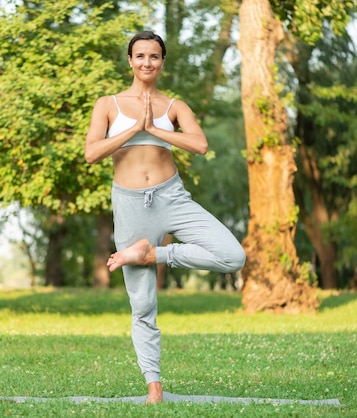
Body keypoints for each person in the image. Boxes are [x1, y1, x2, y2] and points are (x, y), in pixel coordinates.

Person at [85, 30, 246, 404]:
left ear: (162, 62)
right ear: (130, 61)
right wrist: (135, 130)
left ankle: (153, 254)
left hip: (172, 197)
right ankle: (153, 386)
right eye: (140, 56)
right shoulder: (108, 104)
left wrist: (155, 128)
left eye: (154, 56)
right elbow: (92, 153)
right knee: (142, 303)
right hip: (129, 203)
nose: (147, 62)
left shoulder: (174, 105)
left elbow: (201, 144)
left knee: (232, 255)